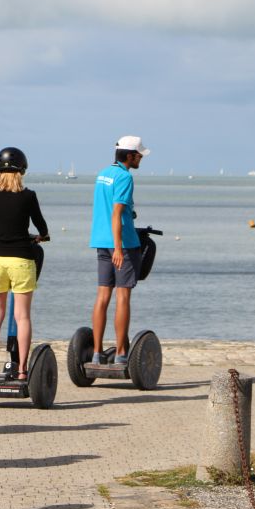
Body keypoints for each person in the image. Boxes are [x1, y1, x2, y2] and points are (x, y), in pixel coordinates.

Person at [0, 147, 49, 380]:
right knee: (22, 317)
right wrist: (41, 235)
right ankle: (22, 370)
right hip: (22, 258)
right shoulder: (28, 195)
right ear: (22, 169)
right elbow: (41, 226)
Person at [89, 135, 150, 365]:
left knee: (102, 296)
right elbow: (116, 213)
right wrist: (118, 248)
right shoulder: (125, 177)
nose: (141, 158)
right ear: (129, 155)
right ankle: (121, 353)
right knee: (122, 296)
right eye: (139, 155)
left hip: (100, 240)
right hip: (121, 245)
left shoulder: (103, 174)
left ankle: (96, 353)